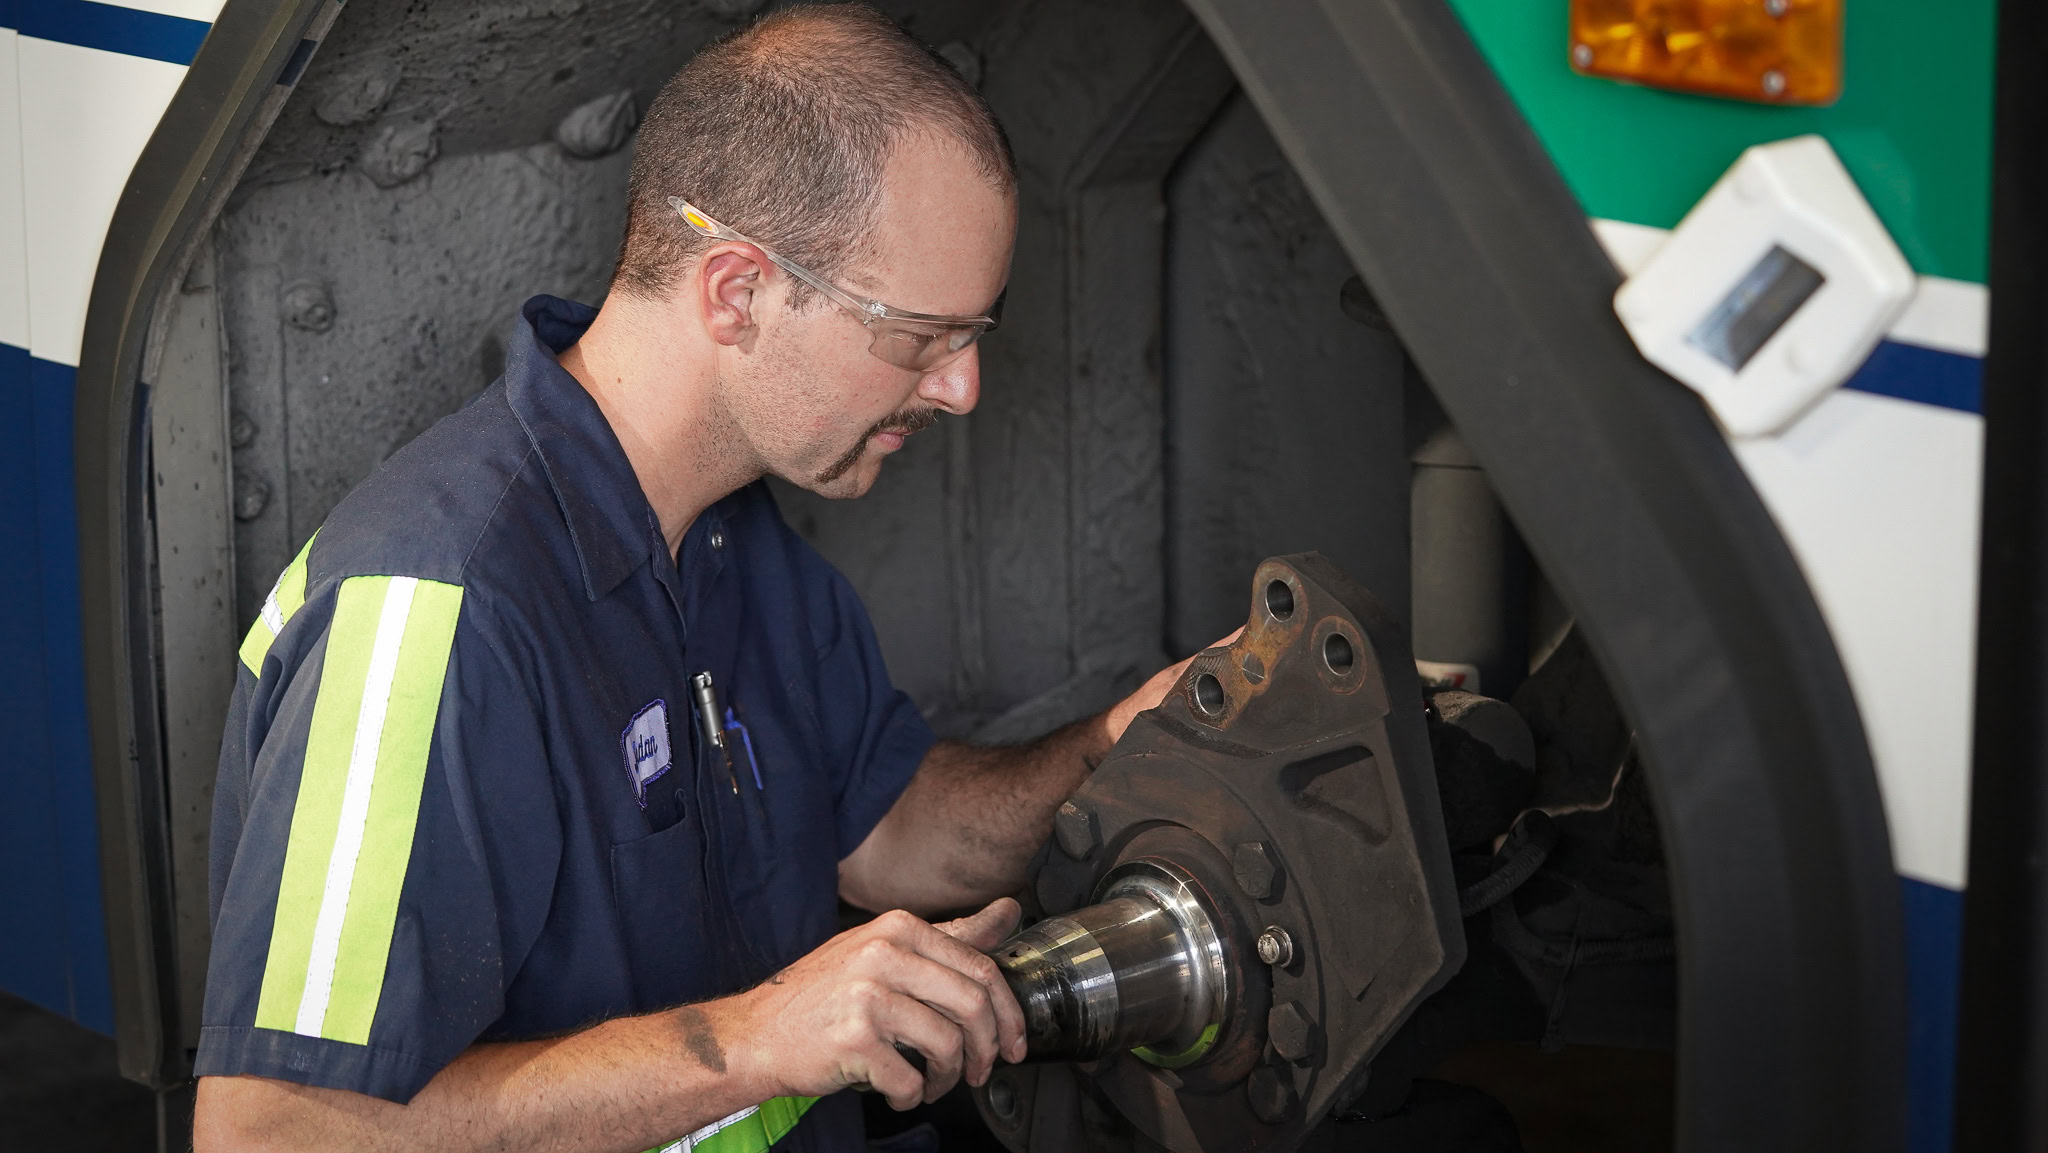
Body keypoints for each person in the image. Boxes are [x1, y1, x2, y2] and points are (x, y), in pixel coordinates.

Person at [192, 6, 1213, 1152]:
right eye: (920, 335)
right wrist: (762, 1039)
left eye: (977, 331)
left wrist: (1121, 741)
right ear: (735, 291)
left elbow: (892, 836)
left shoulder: (735, 538)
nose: (963, 388)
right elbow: (269, 1131)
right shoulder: (436, 609)